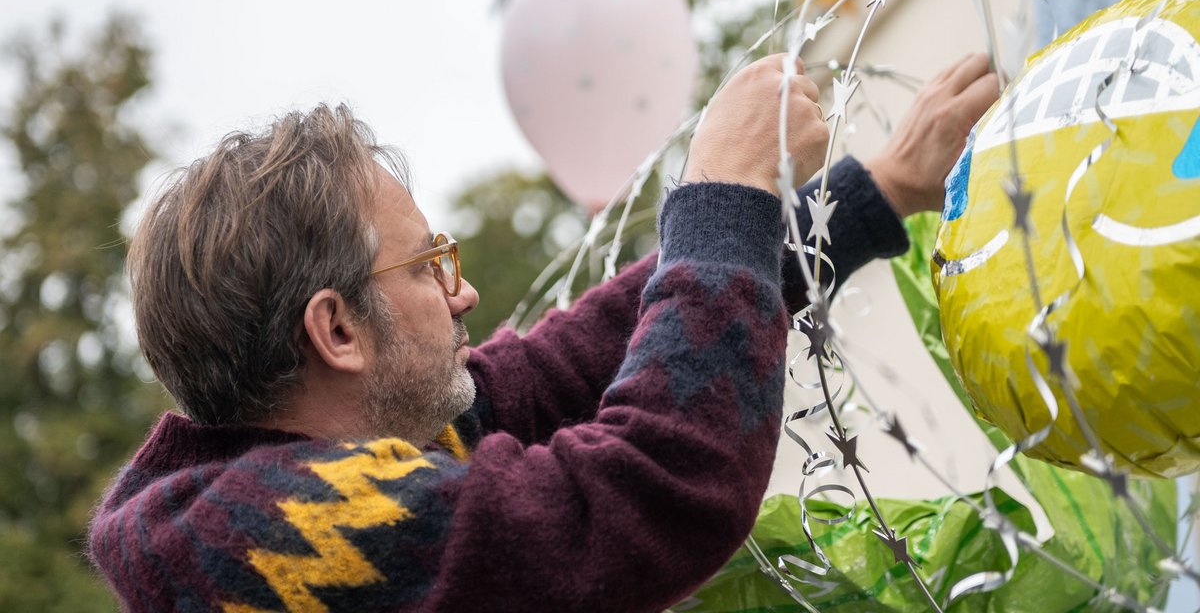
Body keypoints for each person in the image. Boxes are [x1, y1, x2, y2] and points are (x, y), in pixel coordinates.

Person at [88, 52, 996, 612]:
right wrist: (724, 191)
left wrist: (869, 195)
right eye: (426, 266)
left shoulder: (338, 451)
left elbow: (574, 361)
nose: (466, 293)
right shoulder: (293, 538)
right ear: (336, 331)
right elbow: (648, 498)